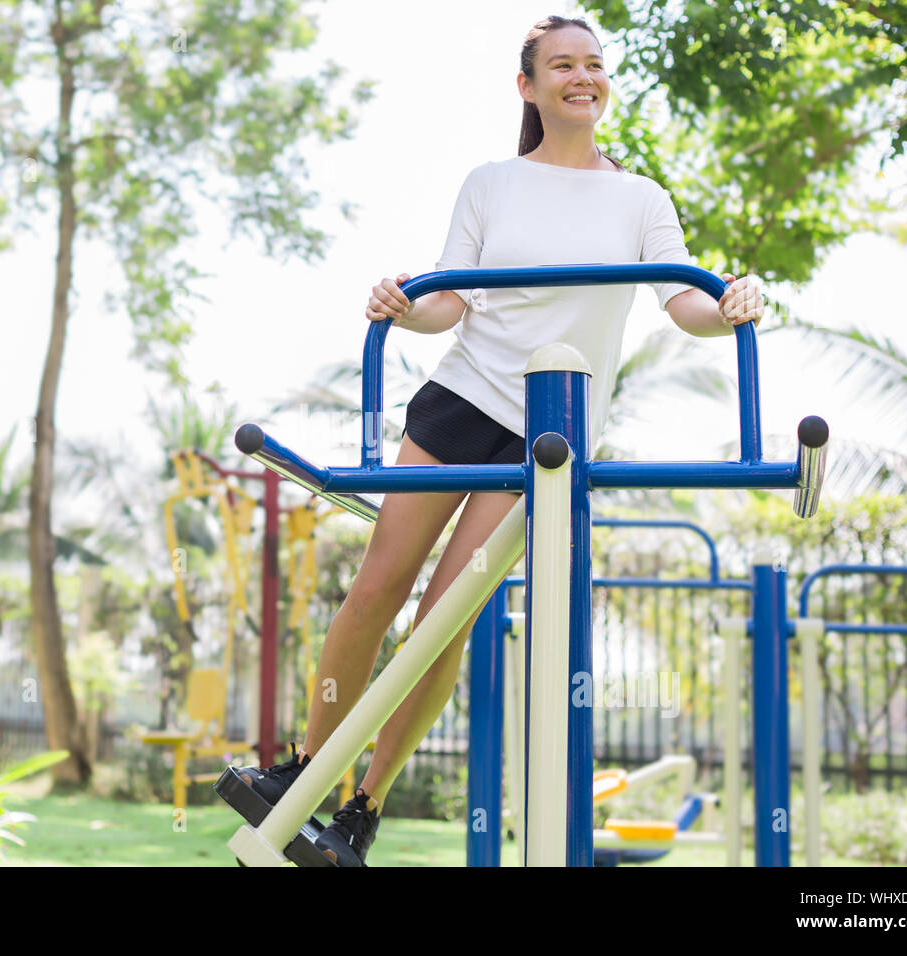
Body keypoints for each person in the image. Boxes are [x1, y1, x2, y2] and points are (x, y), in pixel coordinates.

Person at [221, 14, 765, 867]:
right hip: (461, 400)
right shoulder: (490, 184)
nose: (581, 77)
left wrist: (730, 301)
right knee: (375, 590)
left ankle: (362, 809)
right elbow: (451, 302)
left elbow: (683, 302)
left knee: (443, 621)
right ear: (529, 86)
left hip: (548, 428)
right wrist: (406, 301)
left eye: (593, 65)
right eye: (562, 66)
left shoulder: (641, 198)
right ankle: (302, 769)